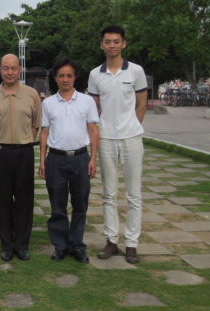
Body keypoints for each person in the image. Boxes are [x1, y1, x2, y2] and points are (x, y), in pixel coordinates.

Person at [88, 25, 147, 264]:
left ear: (123, 44)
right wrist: (102, 131)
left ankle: (131, 243)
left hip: (131, 138)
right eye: (107, 42)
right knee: (108, 193)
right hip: (106, 139)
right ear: (102, 44)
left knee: (134, 194)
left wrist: (132, 125)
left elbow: (141, 104)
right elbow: (95, 109)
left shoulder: (136, 71)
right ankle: (112, 240)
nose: (112, 45)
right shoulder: (95, 74)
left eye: (116, 41)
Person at [39, 58, 99, 264]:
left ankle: (77, 246)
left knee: (80, 204)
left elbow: (93, 130)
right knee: (58, 205)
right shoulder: (47, 103)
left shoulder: (87, 101)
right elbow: (44, 132)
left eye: (69, 75)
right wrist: (42, 161)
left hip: (81, 158)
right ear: (55, 77)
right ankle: (60, 246)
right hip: (56, 159)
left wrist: (93, 158)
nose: (65, 79)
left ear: (75, 77)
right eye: (61, 75)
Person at [0, 54, 41, 261]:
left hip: (25, 152)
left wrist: (23, 141)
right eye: (5, 68)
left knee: (24, 200)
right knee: (1, 200)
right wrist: (1, 141)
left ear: (20, 70)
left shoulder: (32, 94)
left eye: (14, 68)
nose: (10, 72)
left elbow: (36, 124)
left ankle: (22, 244)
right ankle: (6, 244)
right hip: (0, 152)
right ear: (0, 70)